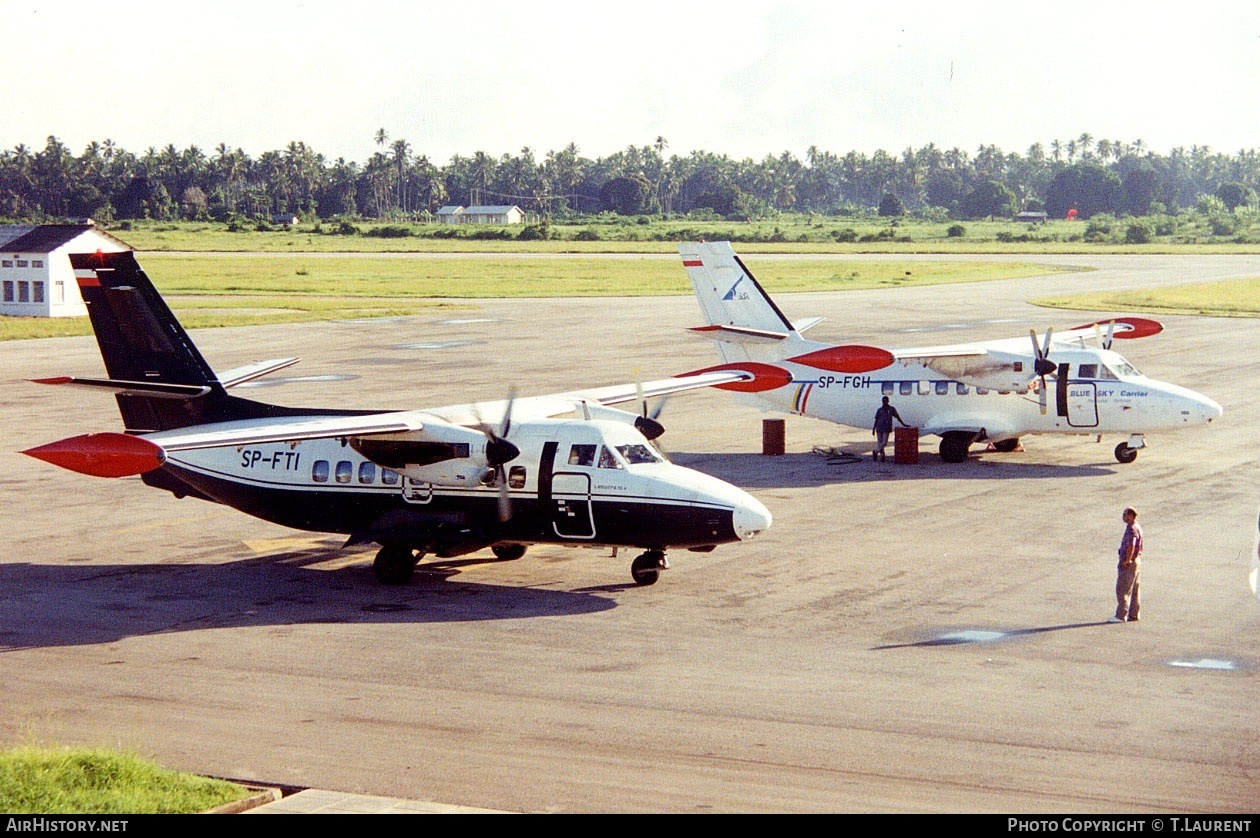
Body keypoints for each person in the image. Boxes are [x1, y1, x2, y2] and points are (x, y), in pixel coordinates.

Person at [1109, 507, 1143, 623]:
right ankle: (1134, 614)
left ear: (1131, 515)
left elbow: (1131, 546)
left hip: (1130, 562)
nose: (1123, 517)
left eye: (1125, 515)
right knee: (1134, 589)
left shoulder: (1131, 529)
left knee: (1123, 589)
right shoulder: (1137, 526)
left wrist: (1127, 560)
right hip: (1137, 561)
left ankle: (1121, 615)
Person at [871, 396, 909, 462]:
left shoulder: (891, 409)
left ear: (888, 401)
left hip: (886, 428)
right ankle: (882, 457)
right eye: (883, 401)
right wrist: (874, 429)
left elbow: (897, 416)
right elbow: (876, 419)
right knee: (880, 443)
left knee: (884, 443)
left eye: (885, 401)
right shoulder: (879, 410)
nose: (884, 402)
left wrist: (903, 424)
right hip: (879, 428)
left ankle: (876, 451)